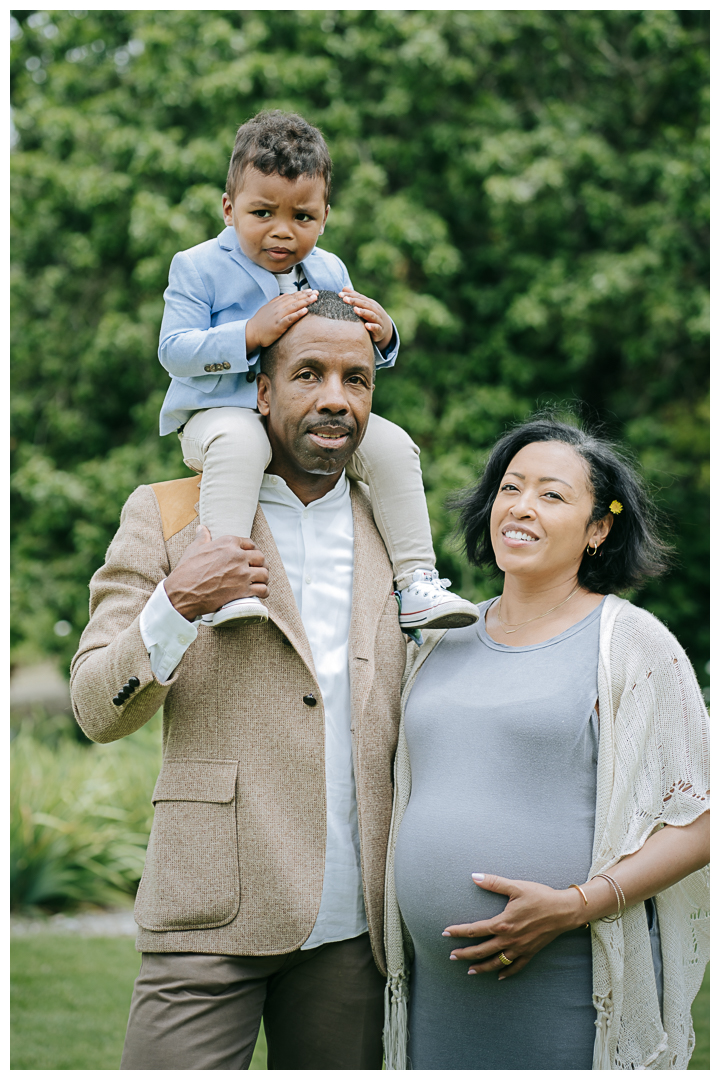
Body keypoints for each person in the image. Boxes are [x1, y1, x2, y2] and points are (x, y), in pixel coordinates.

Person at [71, 293, 411, 1070]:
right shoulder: (165, 513)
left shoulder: (393, 526)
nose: (335, 398)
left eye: (356, 379)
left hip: (356, 931)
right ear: (261, 391)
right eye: (309, 374)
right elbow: (95, 707)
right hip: (207, 917)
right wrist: (177, 604)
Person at [383, 416, 709, 1071]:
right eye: (510, 487)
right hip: (435, 1007)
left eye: (552, 494)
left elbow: (701, 822)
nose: (522, 506)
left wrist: (572, 906)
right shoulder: (441, 635)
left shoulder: (633, 644)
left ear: (599, 528)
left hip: (568, 989)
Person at [158, 108, 477, 632]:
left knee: (394, 445)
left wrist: (386, 335)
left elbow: (347, 355)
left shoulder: (329, 269)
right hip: (221, 415)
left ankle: (417, 580)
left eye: (302, 218)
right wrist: (247, 335)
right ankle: (224, 576)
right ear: (228, 207)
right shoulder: (197, 267)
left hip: (309, 420)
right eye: (263, 213)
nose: (283, 232)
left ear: (323, 215)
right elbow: (173, 350)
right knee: (242, 445)